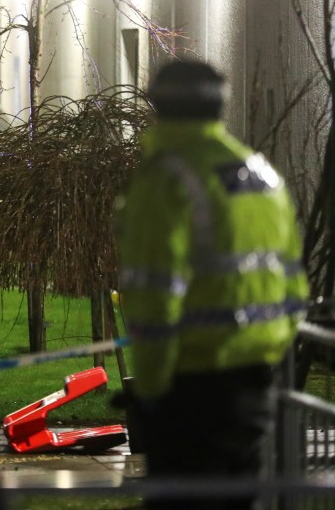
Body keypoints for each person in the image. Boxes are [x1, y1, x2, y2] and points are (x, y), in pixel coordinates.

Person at [115, 60, 308, 509]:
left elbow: (153, 297)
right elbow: (294, 285)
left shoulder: (165, 179)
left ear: (157, 107)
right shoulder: (262, 176)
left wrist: (151, 390)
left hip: (189, 391)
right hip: (255, 386)